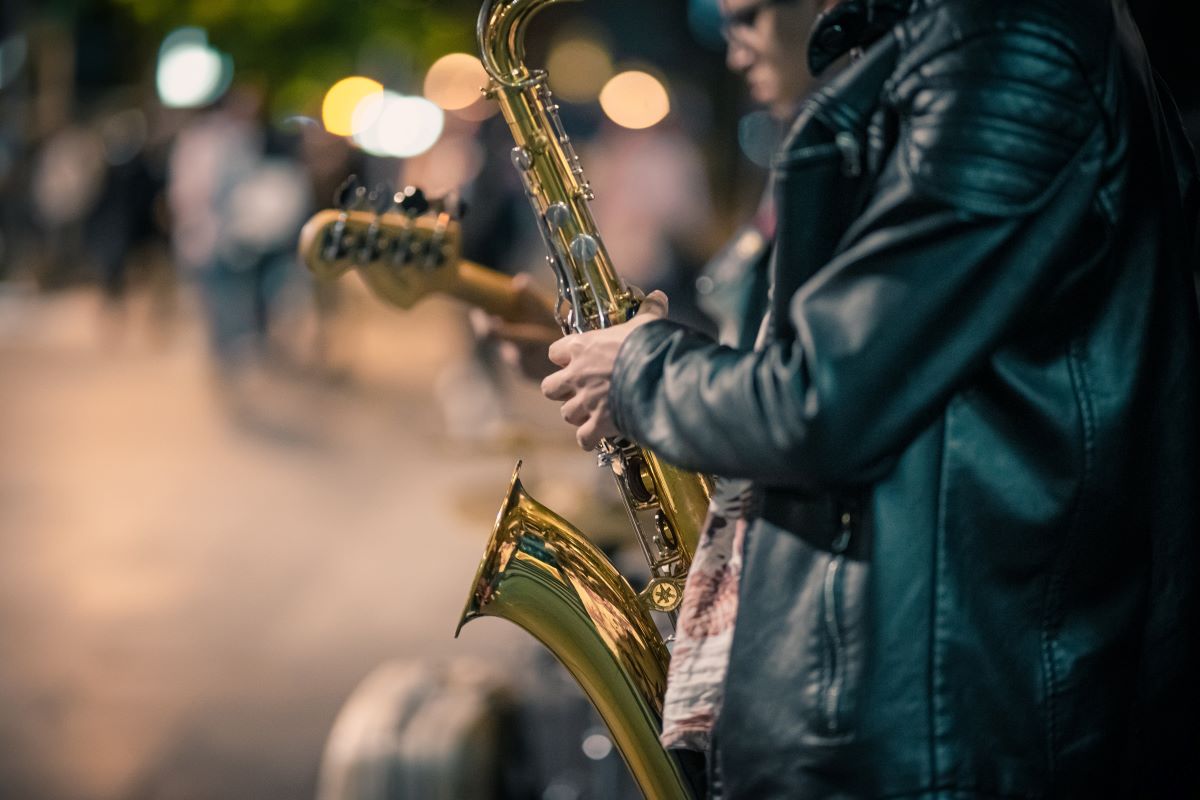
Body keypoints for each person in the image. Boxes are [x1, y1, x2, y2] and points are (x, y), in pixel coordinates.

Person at [537, 0, 1200, 798]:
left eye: (745, 11)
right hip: (929, 704)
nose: (727, 19)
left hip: (942, 734)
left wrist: (640, 371)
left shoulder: (1014, 48)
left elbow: (819, 400)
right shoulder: (966, 45)